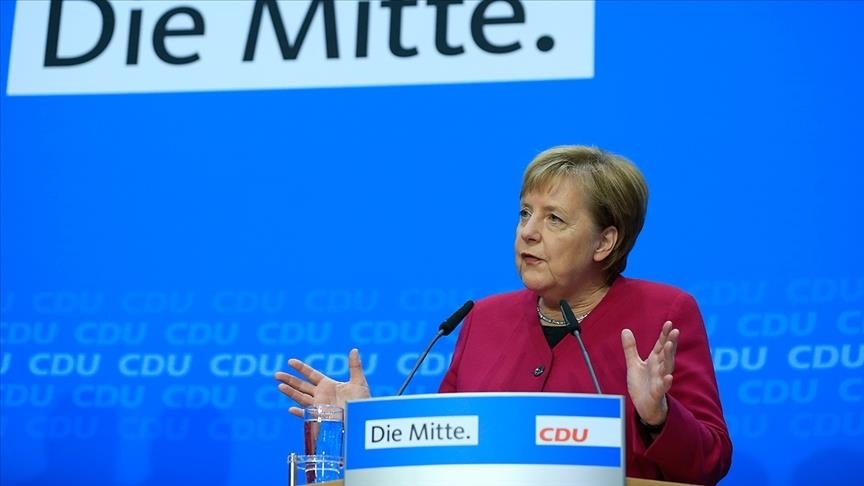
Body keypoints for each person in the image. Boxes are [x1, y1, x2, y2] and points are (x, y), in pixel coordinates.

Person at [275, 145, 732, 485]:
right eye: (525, 213)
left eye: (554, 219)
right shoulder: (483, 319)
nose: (528, 232)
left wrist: (658, 416)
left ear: (604, 242)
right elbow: (443, 448)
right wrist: (368, 426)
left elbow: (710, 462)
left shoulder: (663, 313)